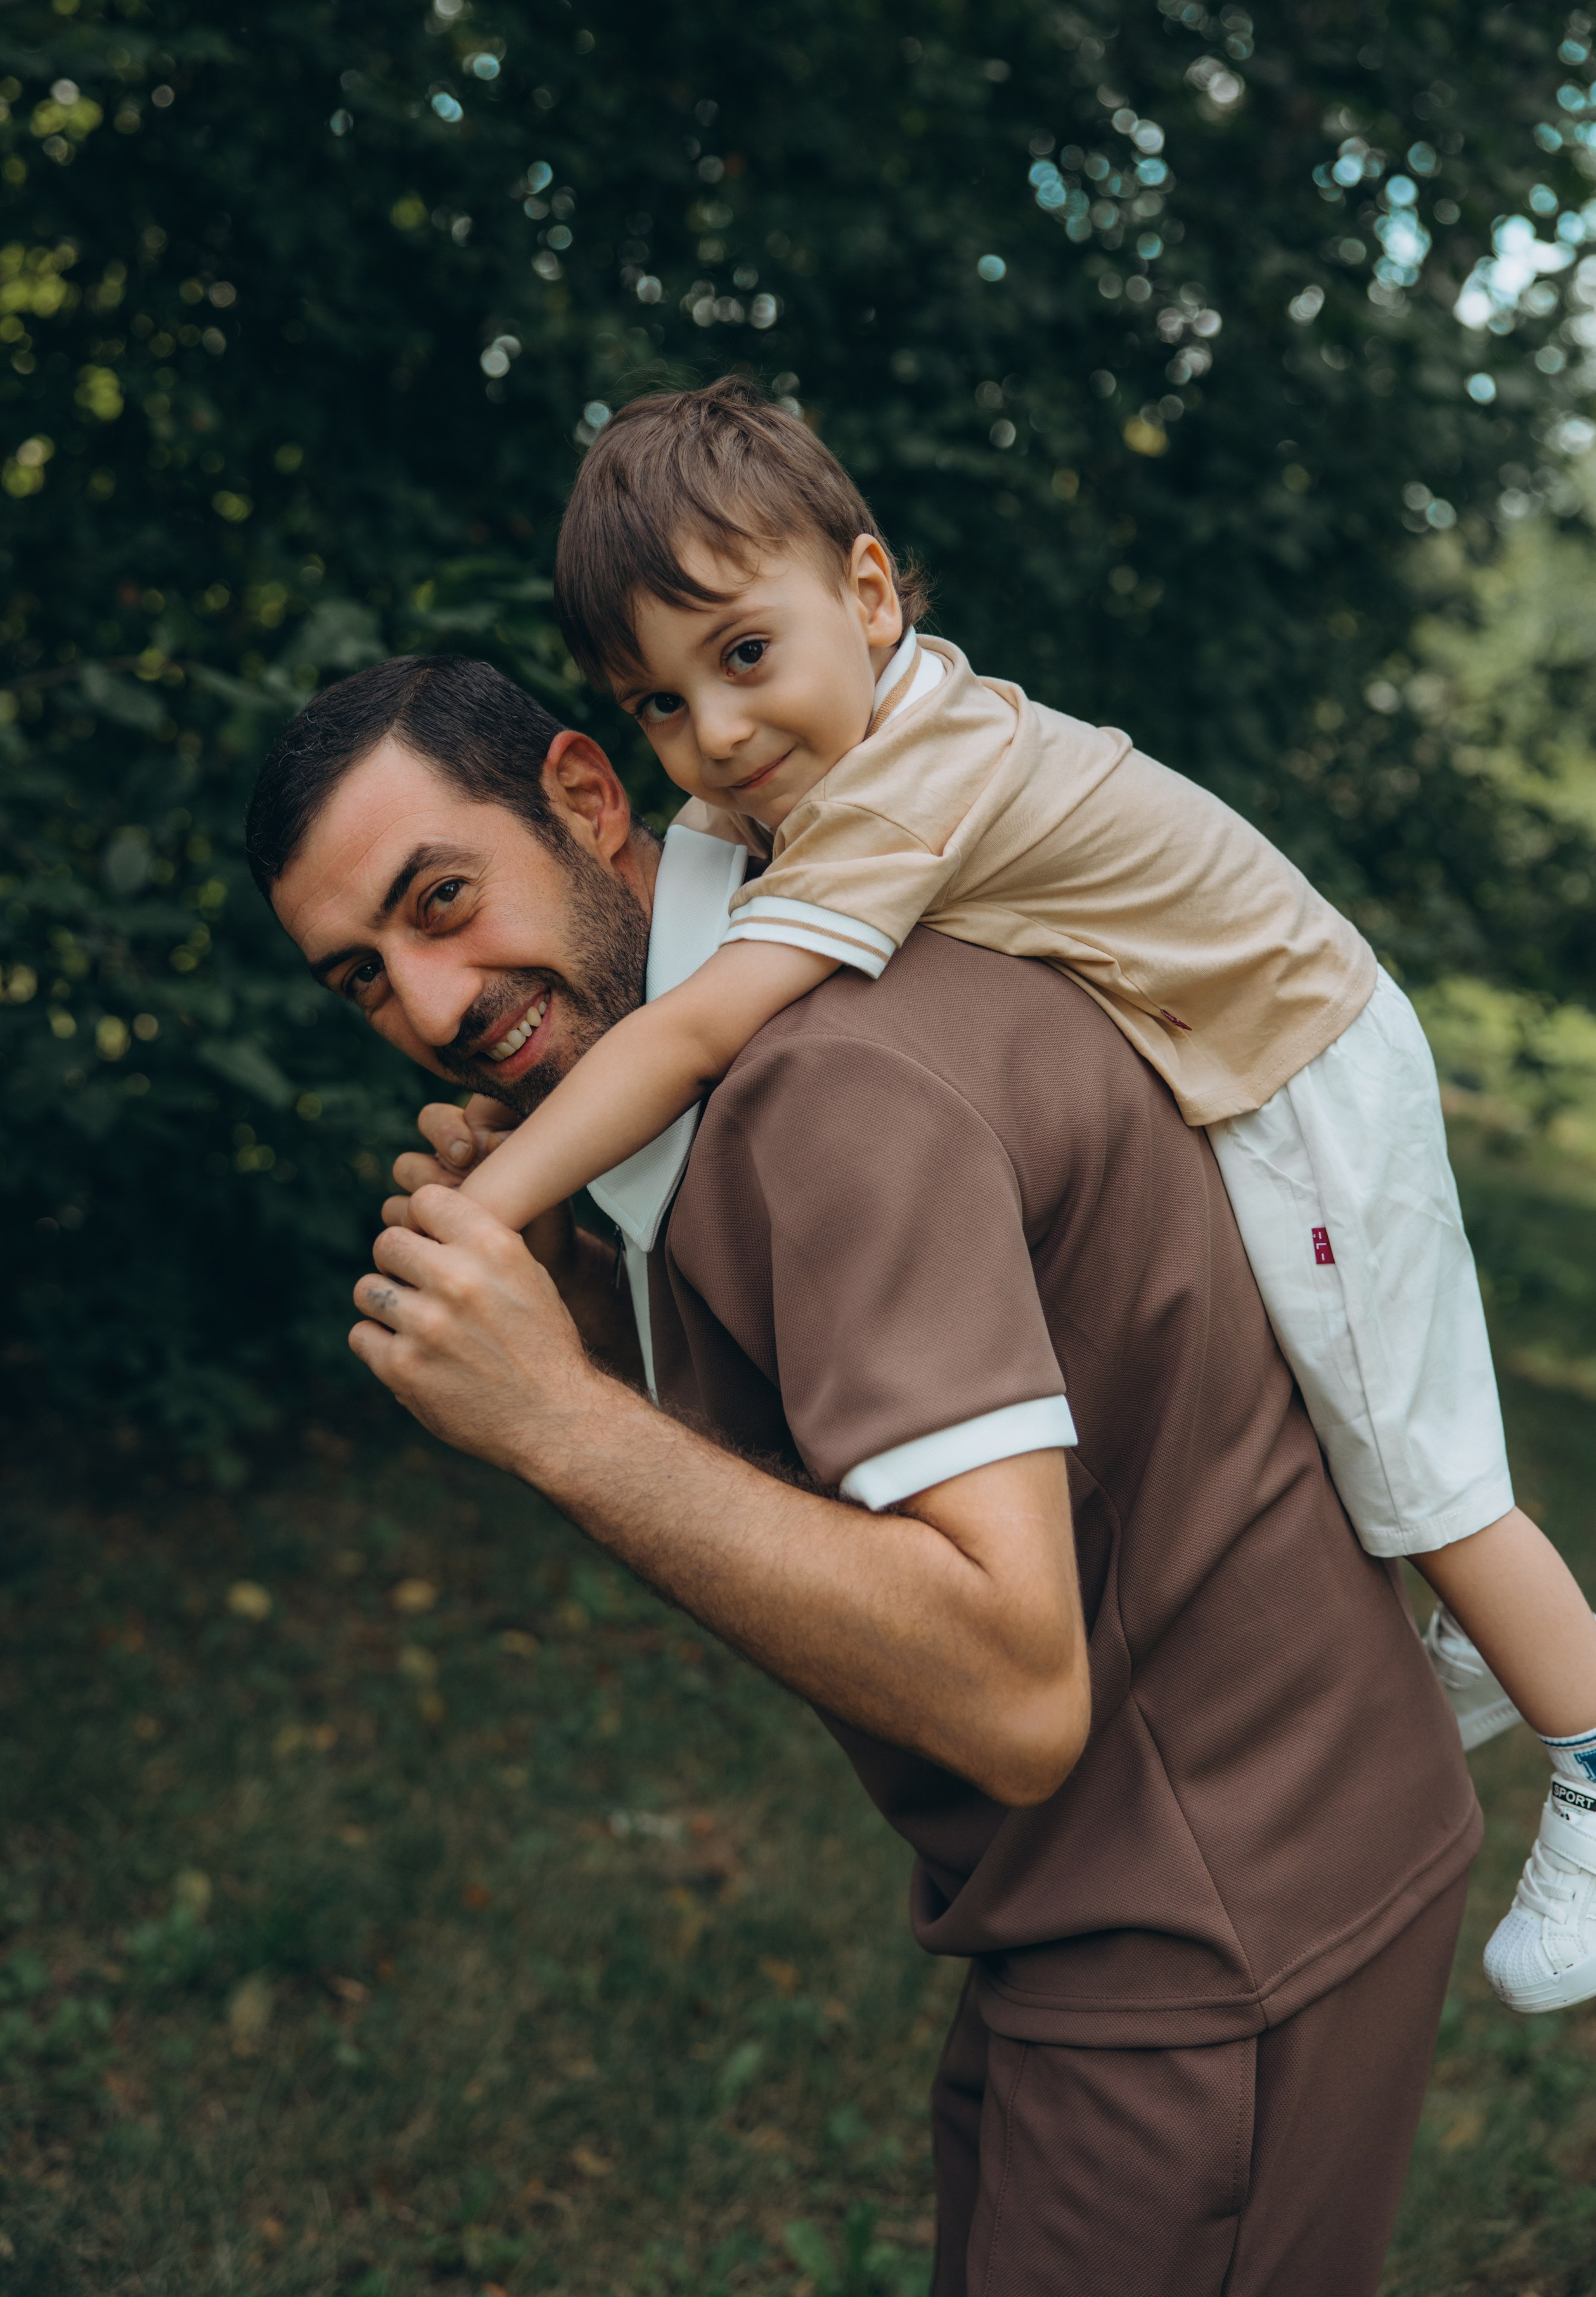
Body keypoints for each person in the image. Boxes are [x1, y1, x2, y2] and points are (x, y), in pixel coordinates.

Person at [371, 377, 1596, 2017]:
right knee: (1333, 1396)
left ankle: (1593, 1749)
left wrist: (484, 1218)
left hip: (1301, 1058)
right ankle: (1472, 1643)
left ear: (873, 593)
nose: (720, 740)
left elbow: (689, 1030)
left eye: (743, 656)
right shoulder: (833, 760)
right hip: (1243, 1037)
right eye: (661, 706)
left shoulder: (900, 789)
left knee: (1419, 1454)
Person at [248, 647, 1481, 2294]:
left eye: (443, 898)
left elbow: (1012, 1690)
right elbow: (817, 1496)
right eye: (362, 977)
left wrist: (556, 1416)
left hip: (1220, 1932)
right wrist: (575, 1319)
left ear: (587, 796)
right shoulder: (718, 1033)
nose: (428, 1004)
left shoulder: (825, 1087)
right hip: (1110, 1898)